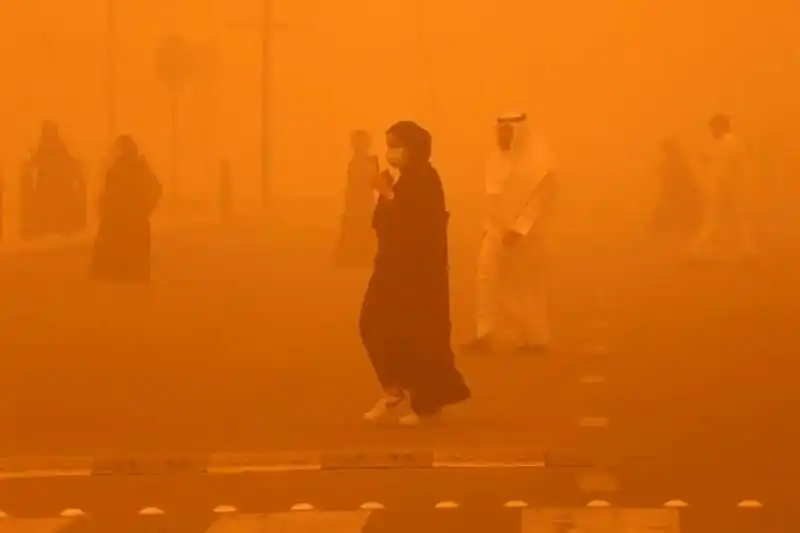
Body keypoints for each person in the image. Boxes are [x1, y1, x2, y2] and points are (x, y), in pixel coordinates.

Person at [360, 120, 470, 425]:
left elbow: (418, 227)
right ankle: (392, 390)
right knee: (372, 323)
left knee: (420, 335)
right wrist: (384, 193)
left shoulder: (425, 179)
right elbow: (383, 225)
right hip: (391, 268)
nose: (391, 153)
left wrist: (387, 194)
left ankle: (426, 405)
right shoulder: (404, 178)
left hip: (417, 274)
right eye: (388, 146)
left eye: (396, 146)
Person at [462, 112, 558, 355]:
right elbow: (491, 197)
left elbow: (540, 199)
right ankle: (485, 333)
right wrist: (489, 227)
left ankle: (534, 337)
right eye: (499, 131)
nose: (502, 136)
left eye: (507, 131)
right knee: (486, 279)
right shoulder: (494, 158)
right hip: (495, 230)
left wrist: (520, 229)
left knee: (525, 285)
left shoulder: (540, 161)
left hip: (528, 236)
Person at [90, 135, 162, 282]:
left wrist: (144, 208)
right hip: (126, 219)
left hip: (124, 219)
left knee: (126, 254)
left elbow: (110, 194)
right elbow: (155, 189)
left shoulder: (127, 170)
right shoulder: (135, 169)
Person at [689, 113, 756, 260]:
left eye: (713, 128)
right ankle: (748, 251)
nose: (712, 132)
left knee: (715, 220)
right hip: (730, 188)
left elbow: (724, 169)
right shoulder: (731, 143)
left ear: (720, 127)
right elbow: (729, 166)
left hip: (726, 189)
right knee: (738, 219)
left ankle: (697, 250)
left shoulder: (728, 143)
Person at [334, 130, 379, 266]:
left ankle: (360, 256)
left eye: (360, 143)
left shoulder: (368, 161)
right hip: (356, 200)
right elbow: (351, 184)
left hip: (363, 200)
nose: (357, 146)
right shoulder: (354, 162)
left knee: (363, 226)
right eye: (356, 143)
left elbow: (374, 181)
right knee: (356, 227)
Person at [28, 121, 81, 235]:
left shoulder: (45, 146)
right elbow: (67, 161)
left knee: (51, 203)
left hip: (51, 181)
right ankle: (59, 225)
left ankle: (51, 225)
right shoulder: (59, 145)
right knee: (57, 203)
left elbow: (39, 162)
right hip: (57, 182)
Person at [651, 137, 702, 242]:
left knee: (676, 208)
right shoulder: (677, 160)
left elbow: (677, 178)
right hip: (679, 190)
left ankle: (676, 229)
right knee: (676, 209)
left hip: (679, 190)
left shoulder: (675, 161)